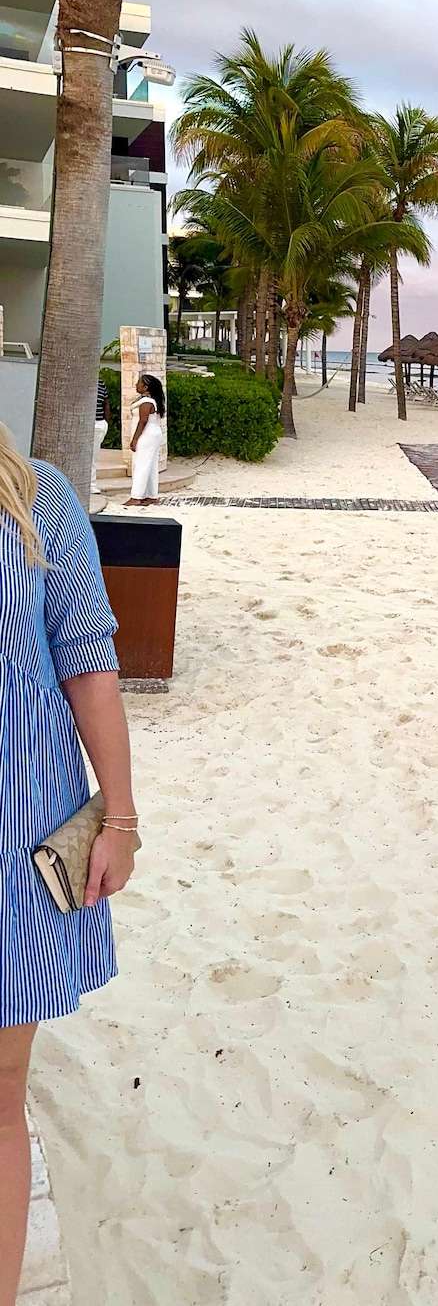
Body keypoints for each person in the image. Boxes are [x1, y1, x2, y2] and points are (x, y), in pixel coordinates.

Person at [0, 452, 125, 1299]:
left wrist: (121, 819)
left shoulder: (35, 495)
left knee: (1, 1088)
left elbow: (88, 667)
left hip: (16, 848)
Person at [115, 376, 162, 507]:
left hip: (147, 435)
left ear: (145, 387)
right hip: (152, 434)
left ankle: (136, 496)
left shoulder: (146, 402)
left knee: (141, 465)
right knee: (150, 465)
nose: (136, 384)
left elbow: (143, 420)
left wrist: (135, 439)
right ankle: (151, 495)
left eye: (139, 383)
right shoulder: (147, 400)